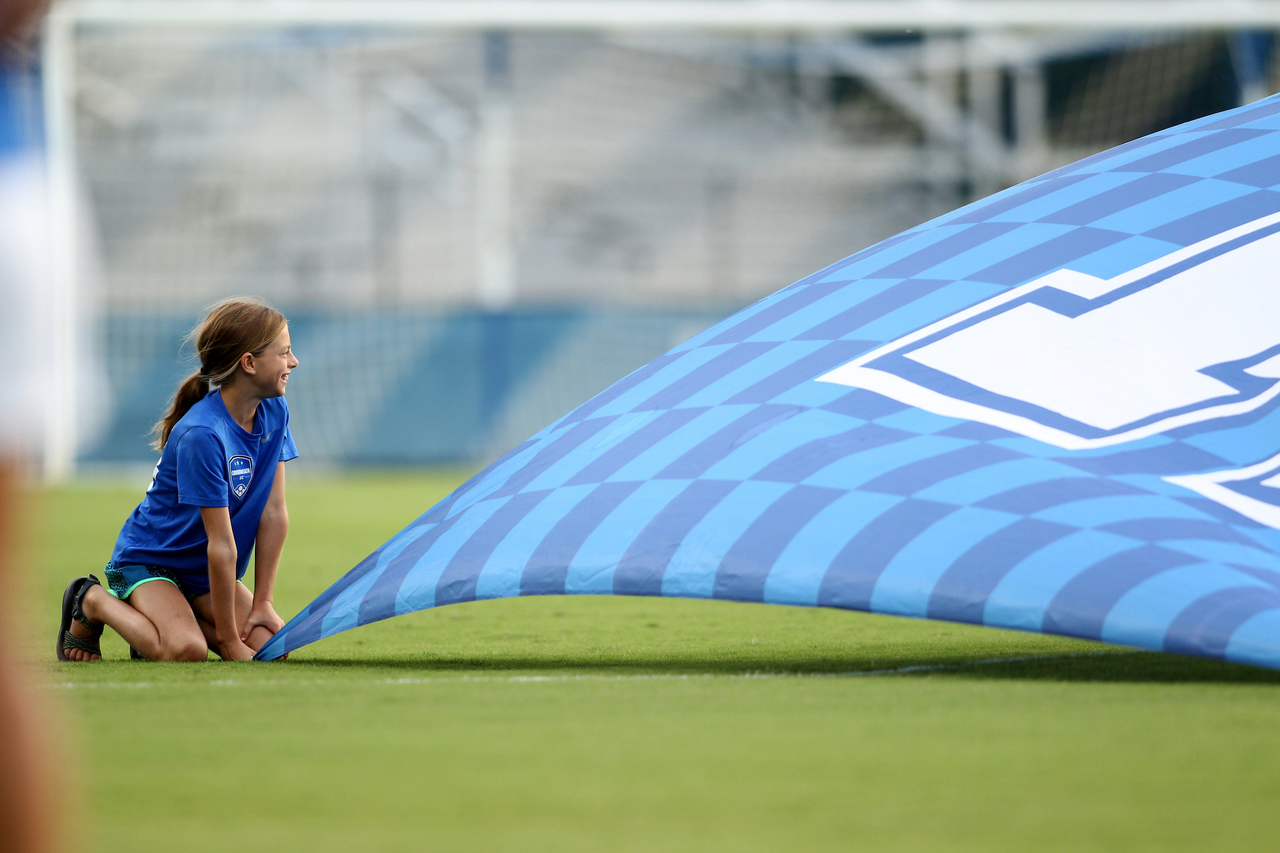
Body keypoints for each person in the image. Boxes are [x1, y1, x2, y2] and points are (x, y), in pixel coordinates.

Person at [57, 297, 300, 663]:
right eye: (284, 353)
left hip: (203, 572)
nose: (293, 362)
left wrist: (263, 603)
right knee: (186, 650)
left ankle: (162, 622)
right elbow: (220, 544)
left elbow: (274, 512)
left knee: (271, 648)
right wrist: (231, 643)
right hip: (150, 562)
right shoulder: (203, 433)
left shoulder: (275, 410)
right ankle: (91, 601)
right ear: (249, 362)